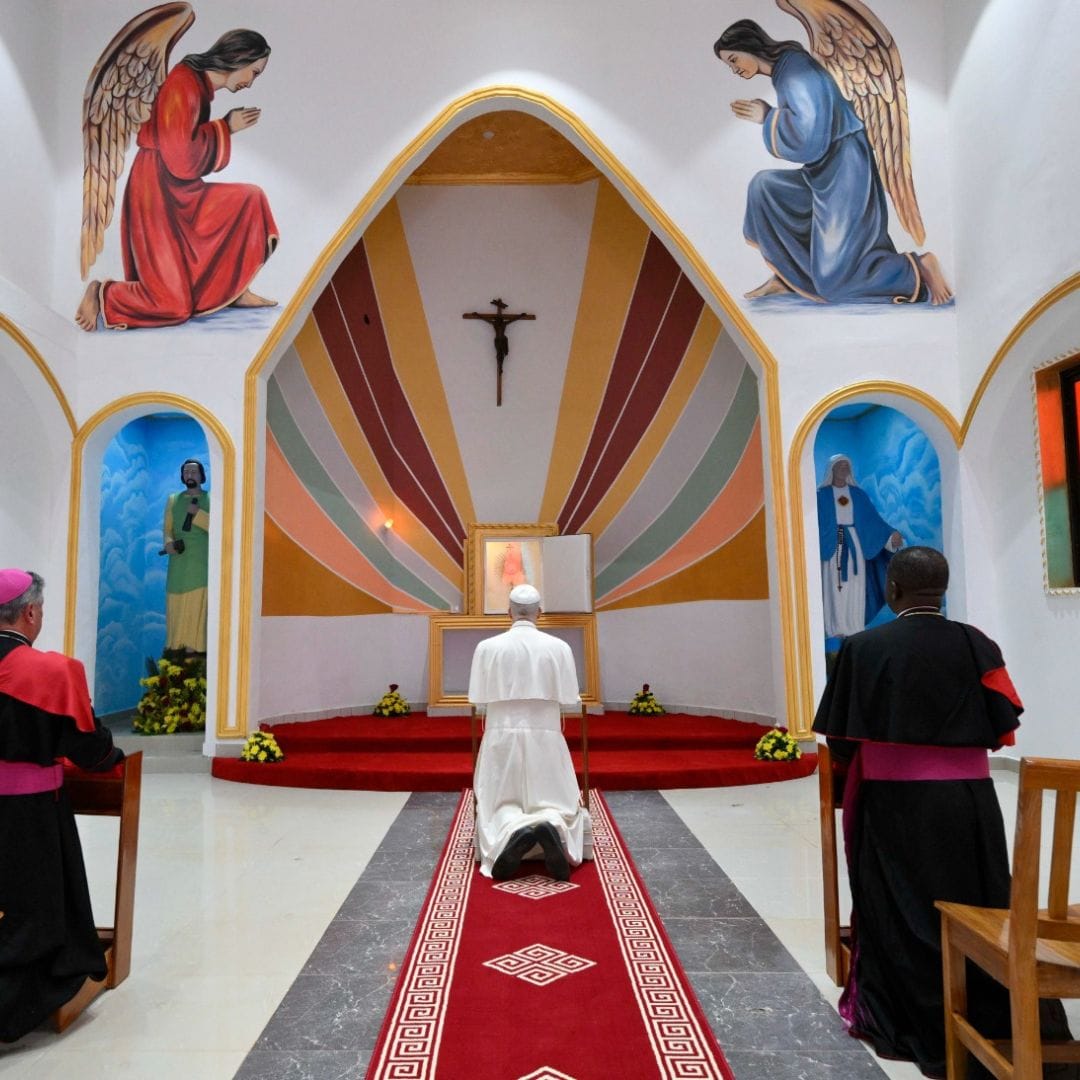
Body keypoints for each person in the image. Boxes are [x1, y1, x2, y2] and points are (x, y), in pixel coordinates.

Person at [813, 547, 1075, 1079]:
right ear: (944, 590)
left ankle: (916, 1020)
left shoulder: (863, 648)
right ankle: (992, 1012)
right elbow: (1002, 727)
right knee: (979, 897)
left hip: (895, 809)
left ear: (892, 590)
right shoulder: (979, 644)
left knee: (901, 909)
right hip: (969, 806)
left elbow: (840, 742)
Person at [714, 20, 952, 305]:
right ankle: (791, 277)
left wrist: (768, 117)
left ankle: (916, 269)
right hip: (822, 172)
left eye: (733, 59)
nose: (734, 68)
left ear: (749, 46)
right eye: (728, 65)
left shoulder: (795, 71)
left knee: (835, 283)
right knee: (764, 188)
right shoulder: (785, 71)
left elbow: (810, 137)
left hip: (846, 170)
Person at [76, 28, 278, 331]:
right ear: (239, 58)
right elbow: (181, 158)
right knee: (172, 305)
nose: (250, 82)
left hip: (181, 192)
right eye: (254, 72)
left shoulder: (198, 86)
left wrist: (223, 128)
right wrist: (225, 127)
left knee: (250, 199)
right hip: (156, 195)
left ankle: (235, 290)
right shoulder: (183, 83)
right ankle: (103, 294)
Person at [0, 569, 124, 1042]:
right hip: (28, 815)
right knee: (34, 914)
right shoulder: (52, 672)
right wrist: (112, 756)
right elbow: (92, 752)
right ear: (30, 612)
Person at [468, 584, 591, 881]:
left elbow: (477, 697)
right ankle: (551, 824)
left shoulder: (487, 647)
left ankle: (511, 830)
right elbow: (569, 697)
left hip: (501, 733)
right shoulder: (559, 647)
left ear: (508, 612)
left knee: (499, 799)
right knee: (553, 797)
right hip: (545, 733)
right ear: (540, 612)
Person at [817, 453, 903, 640]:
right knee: (834, 586)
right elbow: (815, 524)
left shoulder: (858, 495)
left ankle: (854, 626)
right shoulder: (821, 496)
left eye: (846, 466)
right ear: (832, 470)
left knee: (856, 585)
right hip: (833, 546)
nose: (843, 469)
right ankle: (835, 627)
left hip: (856, 546)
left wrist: (890, 536)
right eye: (840, 466)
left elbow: (874, 522)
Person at [163, 458, 210, 654]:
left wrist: (198, 514)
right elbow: (168, 530)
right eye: (186, 472)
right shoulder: (173, 500)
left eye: (193, 472)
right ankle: (175, 652)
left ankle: (195, 654)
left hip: (199, 570)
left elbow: (220, 530)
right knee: (175, 610)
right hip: (178, 567)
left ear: (201, 475)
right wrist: (168, 544)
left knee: (195, 614)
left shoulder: (211, 499)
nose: (190, 475)